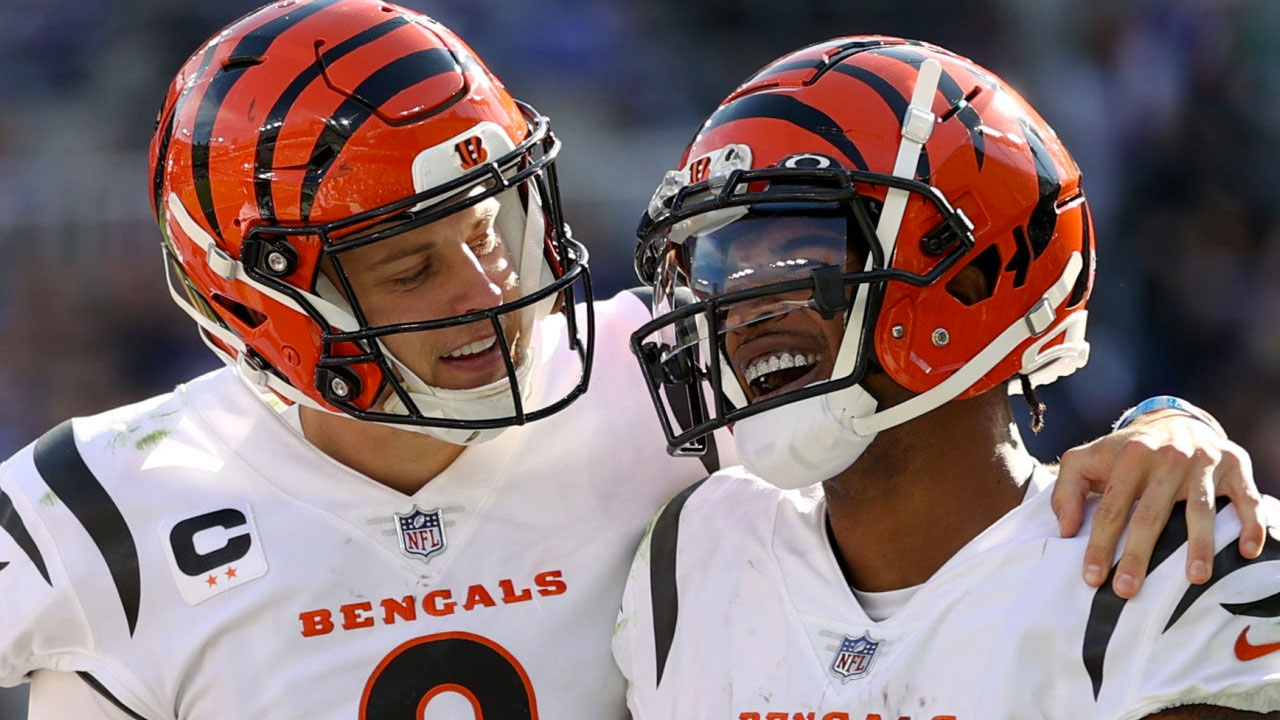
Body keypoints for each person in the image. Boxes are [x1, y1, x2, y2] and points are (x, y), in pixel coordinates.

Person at [0, 5, 1261, 718]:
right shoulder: (97, 505)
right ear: (267, 301)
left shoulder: (664, 380)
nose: (490, 290)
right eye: (409, 268)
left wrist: (1165, 422)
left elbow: (929, 407)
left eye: (489, 226)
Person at [615, 36, 1278, 719]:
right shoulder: (697, 555)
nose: (738, 313)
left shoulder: (1173, 565)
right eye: (721, 271)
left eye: (795, 256)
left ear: (970, 276)